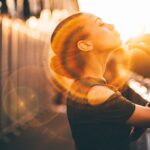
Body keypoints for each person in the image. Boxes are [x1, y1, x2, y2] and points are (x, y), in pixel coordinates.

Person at [50, 12, 150, 150]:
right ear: (85, 45)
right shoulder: (98, 94)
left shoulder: (84, 88)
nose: (112, 25)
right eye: (100, 23)